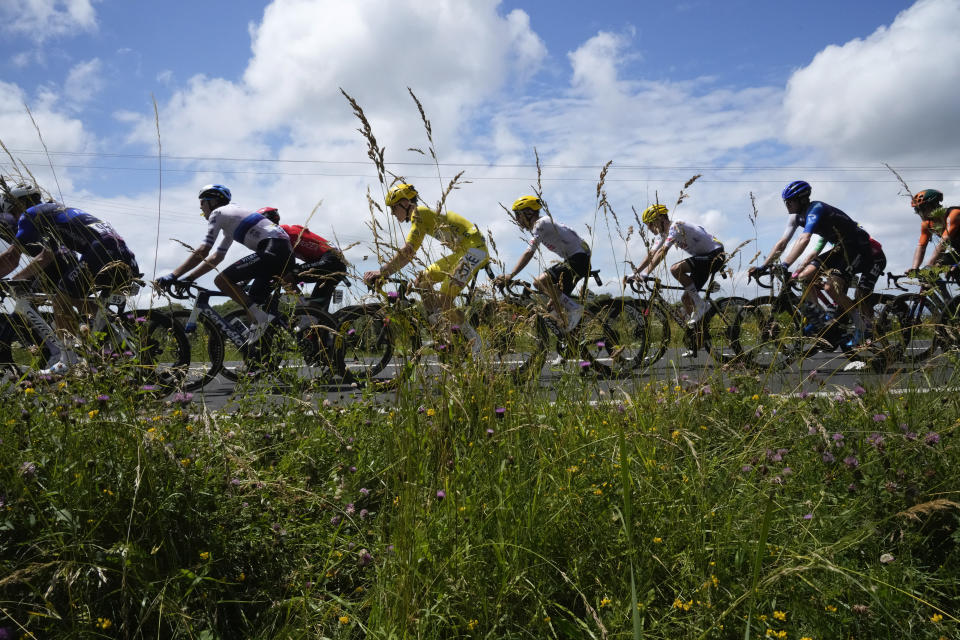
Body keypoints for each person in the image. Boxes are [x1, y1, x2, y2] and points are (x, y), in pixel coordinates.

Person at [0, 182, 139, 374]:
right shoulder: (51, 212)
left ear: (15, 205)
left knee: (60, 298)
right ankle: (111, 332)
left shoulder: (30, 214)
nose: (15, 218)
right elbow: (46, 256)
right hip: (122, 253)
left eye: (12, 212)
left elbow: (11, 257)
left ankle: (68, 361)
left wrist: (10, 278)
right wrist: (18, 278)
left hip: (102, 251)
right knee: (74, 297)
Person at [156, 185, 293, 343]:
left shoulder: (218, 212)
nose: (202, 211)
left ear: (212, 201)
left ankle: (260, 318)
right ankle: (263, 352)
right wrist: (190, 277)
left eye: (202, 204)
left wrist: (173, 275)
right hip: (284, 254)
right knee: (253, 301)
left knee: (222, 280)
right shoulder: (231, 220)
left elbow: (204, 249)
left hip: (273, 251)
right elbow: (217, 257)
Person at [752, 180, 883, 347]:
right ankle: (819, 320)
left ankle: (861, 326)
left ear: (802, 200)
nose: (787, 205)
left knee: (830, 287)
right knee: (804, 277)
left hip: (858, 247)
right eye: (785, 202)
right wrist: (764, 266)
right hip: (840, 248)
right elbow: (782, 242)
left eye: (790, 201)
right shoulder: (795, 218)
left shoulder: (816, 209)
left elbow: (804, 239)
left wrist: (785, 264)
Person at [362, 183, 487, 353]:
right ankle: (443, 330)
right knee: (422, 281)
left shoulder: (419, 214)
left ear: (405, 203)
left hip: (475, 249)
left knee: (445, 298)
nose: (392, 213)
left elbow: (408, 251)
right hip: (462, 251)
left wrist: (382, 271)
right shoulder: (420, 216)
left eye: (393, 208)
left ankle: (477, 344)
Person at [493, 195, 591, 332]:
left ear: (528, 213)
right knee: (554, 306)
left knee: (539, 282)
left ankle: (575, 309)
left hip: (578, 259)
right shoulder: (542, 225)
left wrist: (510, 275)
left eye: (518, 215)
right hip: (578, 259)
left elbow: (529, 253)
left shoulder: (541, 224)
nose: (517, 220)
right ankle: (570, 342)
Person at [629, 203, 726, 326]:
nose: (649, 228)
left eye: (650, 223)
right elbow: (652, 254)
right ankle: (700, 333)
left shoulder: (676, 226)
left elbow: (663, 252)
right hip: (702, 259)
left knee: (676, 269)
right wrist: (636, 272)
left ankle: (701, 305)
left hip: (715, 255)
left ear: (661, 220)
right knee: (686, 299)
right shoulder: (664, 235)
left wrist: (645, 273)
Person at [257, 207, 348, 306]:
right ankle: (317, 316)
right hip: (336, 262)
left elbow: (263, 258)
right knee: (317, 307)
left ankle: (305, 313)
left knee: (287, 278)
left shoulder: (280, 232)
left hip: (330, 259)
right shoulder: (285, 233)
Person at [909, 189, 960, 273]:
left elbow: (944, 242)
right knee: (934, 269)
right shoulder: (927, 224)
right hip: (958, 251)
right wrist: (914, 268)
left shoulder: (954, 214)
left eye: (923, 208)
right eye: (917, 210)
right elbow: (921, 247)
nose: (920, 213)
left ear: (935, 204)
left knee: (934, 268)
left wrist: (929, 265)